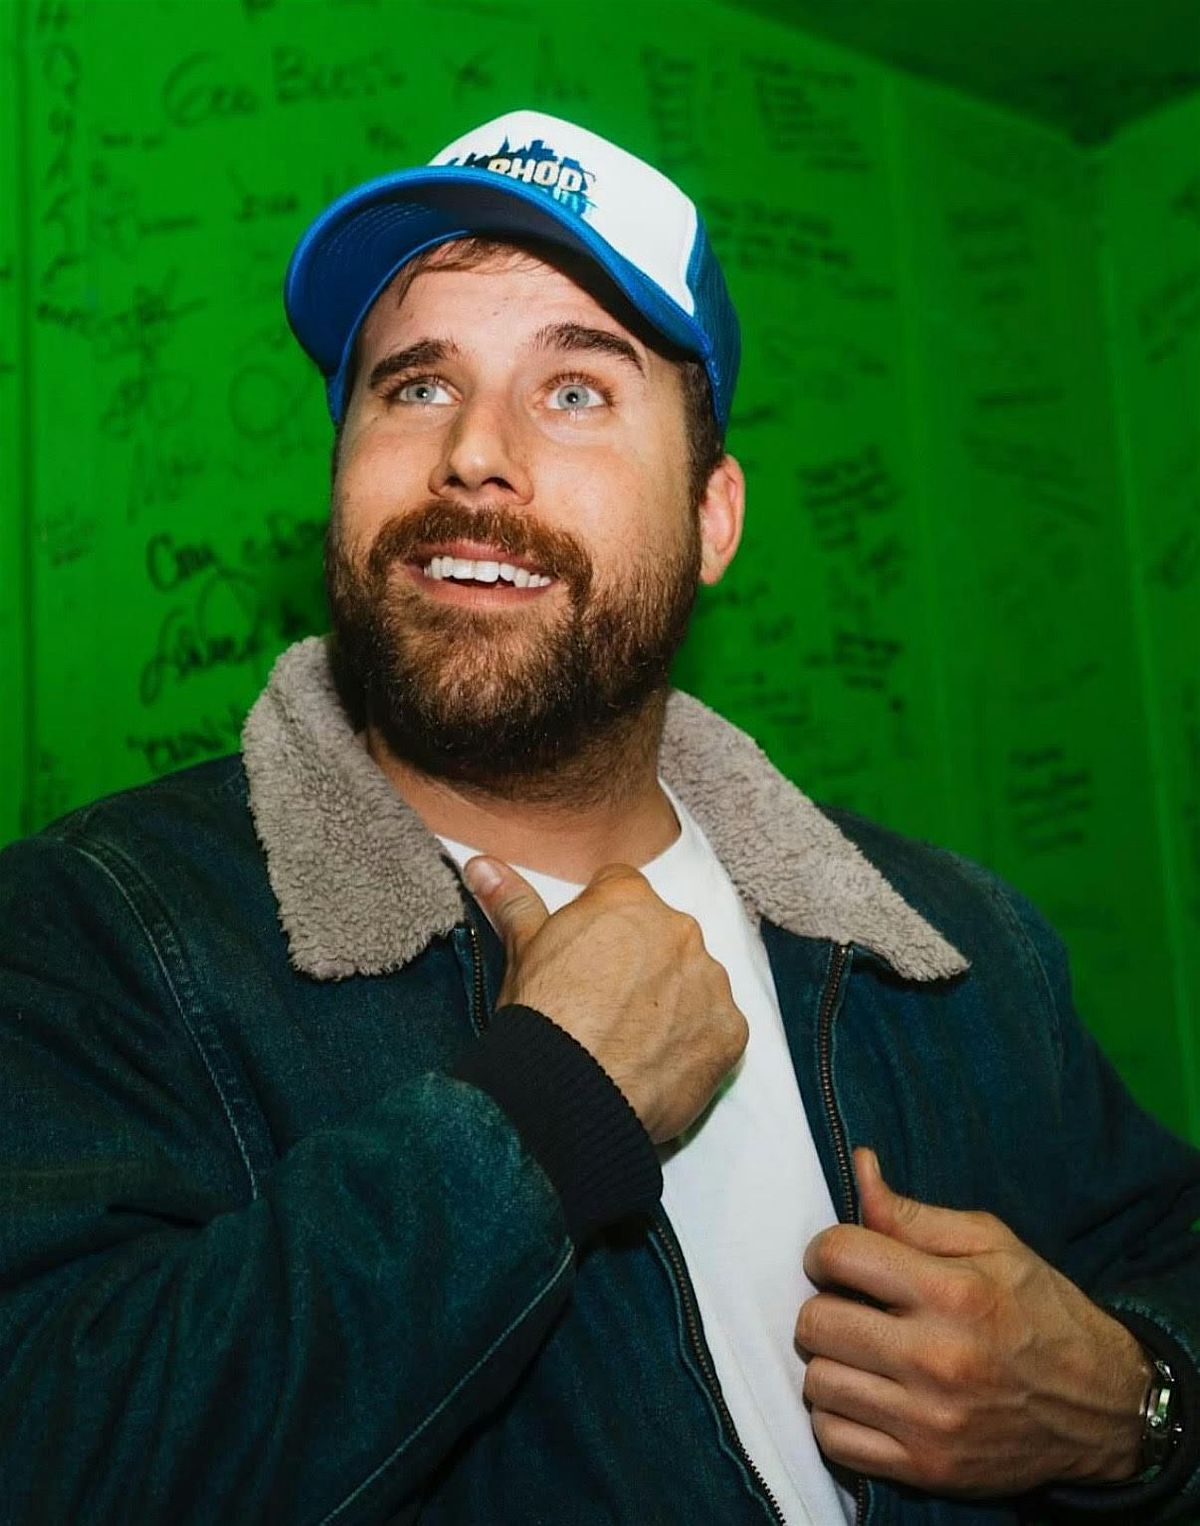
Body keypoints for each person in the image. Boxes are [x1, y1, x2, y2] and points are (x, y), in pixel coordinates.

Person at [0, 109, 1196, 1526]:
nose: (474, 454)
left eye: (574, 390)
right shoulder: (98, 932)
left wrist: (1135, 1402)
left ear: (712, 517)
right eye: (414, 385)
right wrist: (539, 1117)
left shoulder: (956, 943)